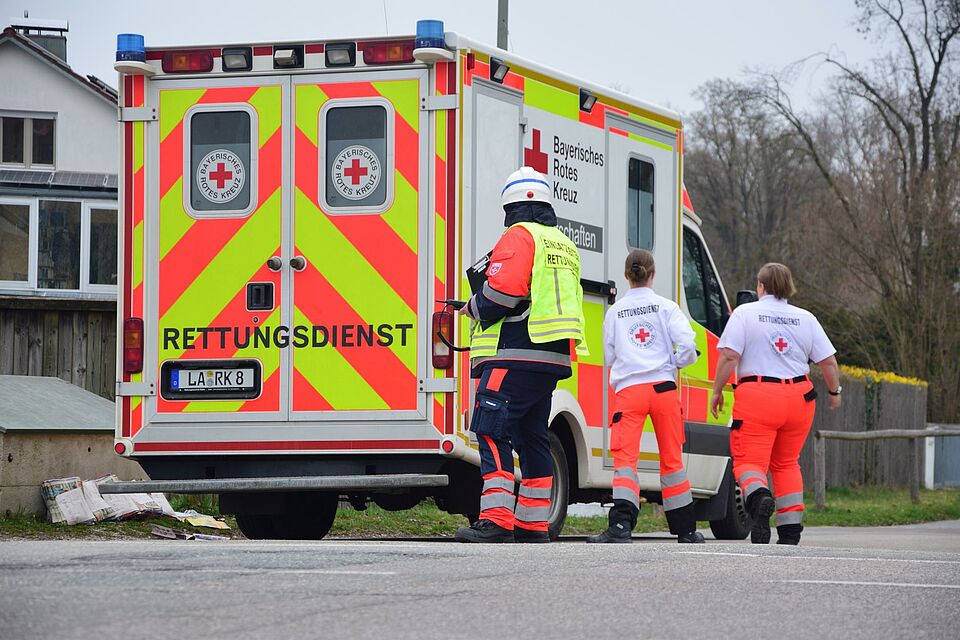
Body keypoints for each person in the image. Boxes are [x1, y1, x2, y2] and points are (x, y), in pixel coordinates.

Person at [454, 166, 587, 544]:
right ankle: (532, 523)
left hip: (514, 353)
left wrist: (472, 308)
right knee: (532, 438)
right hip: (551, 358)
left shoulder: (518, 235)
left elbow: (503, 293)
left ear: (510, 206)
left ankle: (495, 519)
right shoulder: (562, 242)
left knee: (489, 429)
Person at [710, 263, 841, 545]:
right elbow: (828, 362)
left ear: (761, 286)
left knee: (749, 461)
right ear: (788, 286)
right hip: (799, 398)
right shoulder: (805, 318)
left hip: (758, 395)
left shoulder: (745, 313)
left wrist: (717, 391)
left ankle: (759, 498)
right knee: (786, 464)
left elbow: (730, 357)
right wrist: (834, 392)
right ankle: (790, 531)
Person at [588, 249, 704, 544]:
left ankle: (621, 527)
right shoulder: (667, 307)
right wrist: (674, 364)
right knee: (672, 460)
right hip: (664, 389)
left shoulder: (614, 312)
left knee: (626, 460)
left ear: (627, 276)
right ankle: (685, 530)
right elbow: (688, 346)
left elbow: (610, 356)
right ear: (652, 274)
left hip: (630, 392)